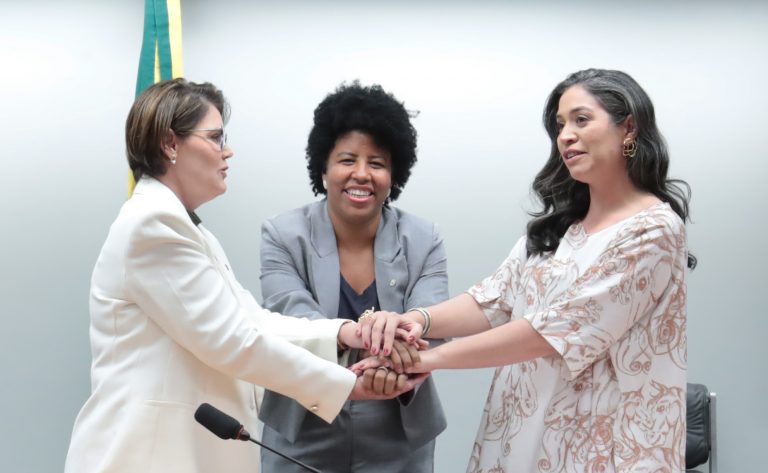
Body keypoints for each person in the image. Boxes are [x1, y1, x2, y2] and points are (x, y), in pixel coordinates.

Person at [64, 78, 427, 473]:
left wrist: (345, 333)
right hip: (149, 454)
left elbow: (252, 320)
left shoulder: (186, 228)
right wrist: (346, 386)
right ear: (170, 144)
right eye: (216, 137)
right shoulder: (154, 224)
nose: (228, 151)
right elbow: (233, 341)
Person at [358, 68, 696, 472]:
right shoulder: (558, 231)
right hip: (521, 434)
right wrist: (412, 323)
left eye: (581, 119)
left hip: (603, 445)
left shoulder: (653, 228)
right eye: (559, 125)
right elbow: (492, 300)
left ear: (628, 128)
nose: (565, 135)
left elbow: (555, 331)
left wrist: (425, 360)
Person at [258, 82, 448, 473]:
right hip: (303, 423)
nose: (361, 174)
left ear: (394, 174)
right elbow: (292, 319)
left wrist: (394, 358)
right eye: (347, 160)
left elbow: (435, 323)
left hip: (398, 430)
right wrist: (376, 344)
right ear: (323, 167)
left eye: (376, 163)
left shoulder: (425, 238)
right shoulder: (282, 234)